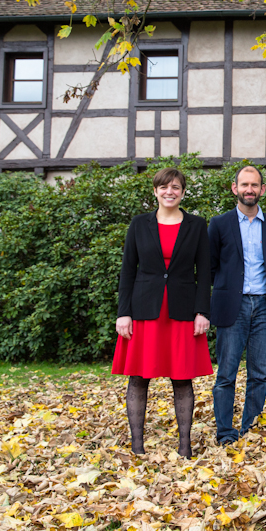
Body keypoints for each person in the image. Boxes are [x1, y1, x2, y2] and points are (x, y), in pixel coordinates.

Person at [113, 167, 212, 458]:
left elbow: (204, 272)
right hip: (145, 311)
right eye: (164, 187)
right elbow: (127, 270)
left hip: (182, 311)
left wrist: (202, 311)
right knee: (138, 377)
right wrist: (123, 313)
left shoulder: (196, 225)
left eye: (176, 187)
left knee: (182, 378)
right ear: (155, 191)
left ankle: (185, 447)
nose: (170, 192)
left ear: (183, 192)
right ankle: (137, 447)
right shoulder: (139, 224)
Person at [208, 165, 266, 445]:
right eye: (244, 185)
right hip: (233, 306)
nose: (249, 190)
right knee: (226, 374)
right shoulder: (219, 224)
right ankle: (225, 432)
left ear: (262, 189)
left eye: (254, 185)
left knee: (259, 374)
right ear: (235, 188)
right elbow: (211, 267)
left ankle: (250, 429)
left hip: (264, 305)